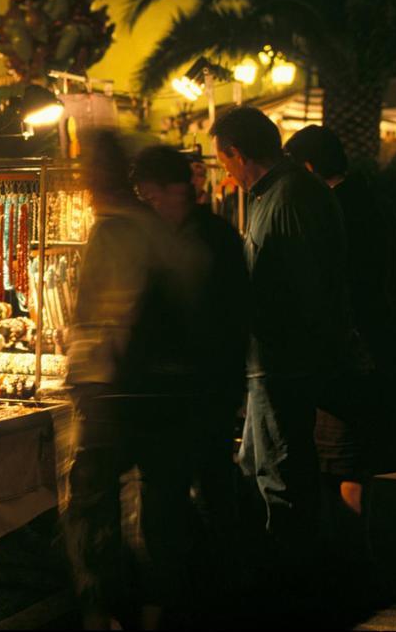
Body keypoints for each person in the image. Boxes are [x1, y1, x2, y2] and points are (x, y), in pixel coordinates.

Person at [64, 130, 195, 629]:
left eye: (82, 169)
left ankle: (105, 612)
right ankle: (153, 608)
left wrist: (86, 369)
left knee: (94, 504)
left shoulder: (117, 229)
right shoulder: (152, 225)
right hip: (160, 390)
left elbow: (113, 314)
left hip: (116, 391)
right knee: (160, 503)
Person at [209, 107, 349, 559]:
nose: (226, 175)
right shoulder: (280, 193)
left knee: (280, 471)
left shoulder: (290, 197)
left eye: (224, 162)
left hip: (281, 364)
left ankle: (293, 571)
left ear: (236, 153)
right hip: (270, 362)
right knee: (259, 465)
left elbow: (307, 288)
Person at [284, 125, 396, 563]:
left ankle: (349, 559)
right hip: (384, 353)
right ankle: (355, 551)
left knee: (343, 464)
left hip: (350, 359)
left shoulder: (335, 210)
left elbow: (337, 291)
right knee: (356, 467)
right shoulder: (378, 204)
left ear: (307, 167)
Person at [132, 146, 250, 591]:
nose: (149, 202)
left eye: (153, 193)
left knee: (211, 476)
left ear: (179, 188)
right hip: (164, 390)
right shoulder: (147, 236)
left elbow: (236, 311)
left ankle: (218, 573)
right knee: (164, 486)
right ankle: (175, 578)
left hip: (205, 384)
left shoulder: (216, 237)